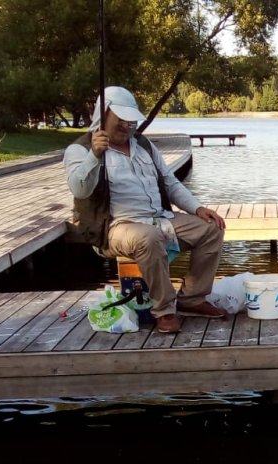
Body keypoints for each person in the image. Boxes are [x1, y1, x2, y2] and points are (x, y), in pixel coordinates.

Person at [64, 86, 227, 334]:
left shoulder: (143, 145)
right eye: (121, 119)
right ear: (103, 114)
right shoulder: (80, 150)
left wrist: (198, 208)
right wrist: (94, 156)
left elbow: (170, 183)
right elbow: (80, 189)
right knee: (148, 237)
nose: (127, 126)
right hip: (114, 227)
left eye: (131, 121)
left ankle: (192, 298)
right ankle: (164, 310)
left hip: (158, 218)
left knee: (212, 228)